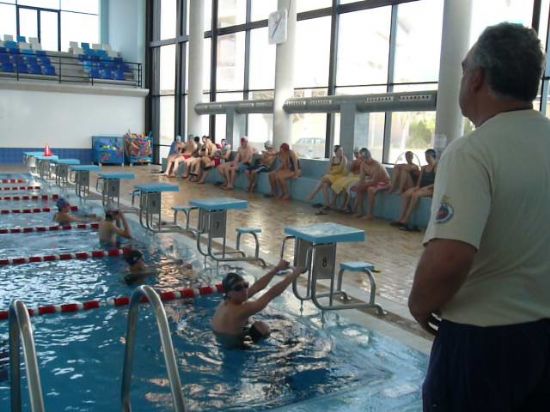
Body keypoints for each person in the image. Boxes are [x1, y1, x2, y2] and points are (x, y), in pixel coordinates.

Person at [408, 23, 550, 411]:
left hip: (485, 344)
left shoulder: (473, 151)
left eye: (463, 68)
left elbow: (450, 257)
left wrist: (419, 305)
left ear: (477, 78)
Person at [212, 260, 305, 347]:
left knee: (252, 321)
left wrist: (276, 269)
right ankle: (284, 356)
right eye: (238, 288)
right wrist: (295, 274)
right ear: (229, 293)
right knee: (262, 327)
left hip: (222, 339)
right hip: (235, 346)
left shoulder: (227, 300)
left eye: (245, 285)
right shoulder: (241, 310)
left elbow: (255, 287)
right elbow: (271, 294)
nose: (244, 290)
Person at [391, 149, 437, 231]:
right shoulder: (424, 167)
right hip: (422, 187)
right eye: (425, 157)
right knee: (405, 194)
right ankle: (401, 218)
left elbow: (437, 182)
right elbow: (420, 179)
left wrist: (427, 187)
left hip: (431, 189)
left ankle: (406, 220)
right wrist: (417, 186)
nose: (426, 158)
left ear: (433, 157)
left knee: (415, 195)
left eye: (428, 157)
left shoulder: (436, 167)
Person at [350, 149, 390, 219]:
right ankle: (360, 211)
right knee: (359, 187)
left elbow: (374, 181)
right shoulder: (363, 164)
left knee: (371, 189)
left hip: (384, 182)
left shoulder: (377, 165)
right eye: (361, 159)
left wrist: (363, 184)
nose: (362, 160)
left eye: (363, 159)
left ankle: (370, 214)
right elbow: (362, 178)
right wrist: (359, 185)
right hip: (374, 181)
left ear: (368, 157)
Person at [306, 145, 348, 211]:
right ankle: (327, 204)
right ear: (336, 152)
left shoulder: (344, 159)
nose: (341, 152)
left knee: (324, 178)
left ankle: (313, 194)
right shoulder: (333, 159)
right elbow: (328, 169)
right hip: (332, 176)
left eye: (342, 150)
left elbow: (340, 170)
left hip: (340, 177)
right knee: (324, 185)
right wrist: (328, 173)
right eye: (339, 150)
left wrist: (329, 173)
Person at [123, 249, 193, 284]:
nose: (143, 262)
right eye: (142, 260)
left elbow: (156, 266)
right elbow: (162, 272)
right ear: (137, 262)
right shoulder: (138, 274)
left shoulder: (134, 268)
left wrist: (174, 262)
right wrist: (182, 267)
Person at [333, 147, 363, 212]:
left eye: (357, 153)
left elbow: (363, 173)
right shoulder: (354, 161)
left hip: (358, 178)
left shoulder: (363, 161)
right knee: (340, 184)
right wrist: (351, 165)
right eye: (355, 153)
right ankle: (341, 204)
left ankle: (346, 205)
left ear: (361, 154)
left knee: (349, 186)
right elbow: (350, 170)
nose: (356, 155)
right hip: (353, 176)